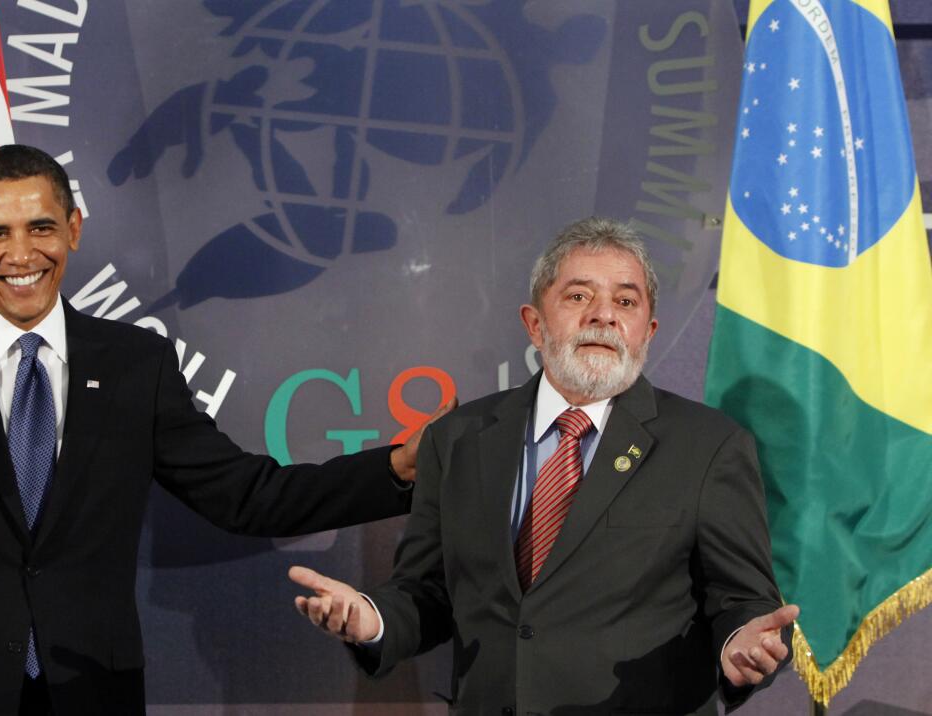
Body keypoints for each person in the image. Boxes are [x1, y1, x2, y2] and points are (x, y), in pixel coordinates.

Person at [0, 144, 449, 715]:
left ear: (75, 229)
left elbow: (247, 496)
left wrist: (395, 471)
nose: (19, 253)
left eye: (41, 228)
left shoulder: (133, 364)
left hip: (93, 692)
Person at [291, 217, 798, 714]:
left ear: (648, 331)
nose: (604, 315)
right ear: (534, 324)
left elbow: (743, 600)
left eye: (626, 301)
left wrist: (741, 643)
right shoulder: (459, 439)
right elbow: (428, 593)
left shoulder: (708, 446)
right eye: (579, 297)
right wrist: (373, 620)